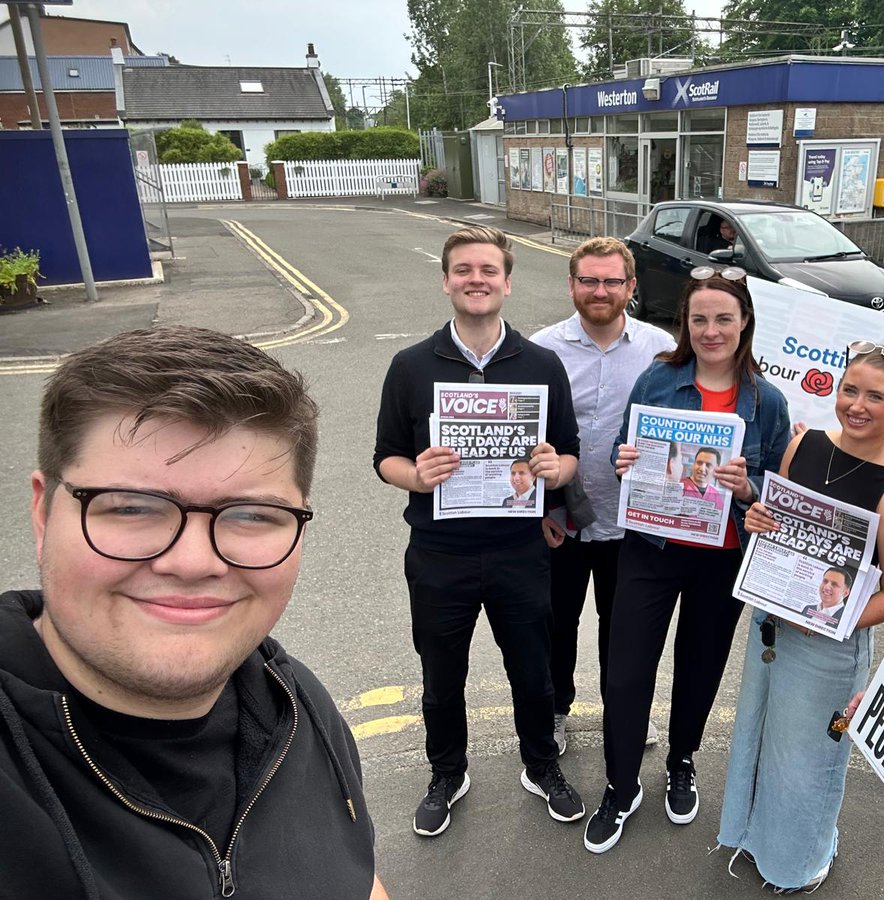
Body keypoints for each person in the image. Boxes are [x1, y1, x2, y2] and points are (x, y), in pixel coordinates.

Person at [0, 326, 387, 899]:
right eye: (132, 508)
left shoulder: (296, 701)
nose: (192, 561)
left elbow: (353, 877)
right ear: (42, 511)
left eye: (253, 515)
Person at [373, 225, 585, 837]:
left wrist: (554, 469)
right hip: (440, 552)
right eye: (464, 270)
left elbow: (570, 456)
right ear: (446, 281)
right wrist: (416, 474)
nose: (476, 280)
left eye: (488, 270)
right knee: (442, 673)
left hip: (520, 550)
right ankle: (447, 772)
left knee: (533, 672)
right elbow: (385, 457)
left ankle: (541, 765)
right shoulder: (410, 365)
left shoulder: (542, 365)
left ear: (507, 283)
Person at [582, 265, 792, 855]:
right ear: (685, 324)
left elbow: (775, 491)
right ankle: (620, 786)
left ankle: (681, 759)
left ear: (745, 322)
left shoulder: (766, 401)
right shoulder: (657, 380)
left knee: (700, 670)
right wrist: (626, 462)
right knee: (626, 674)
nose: (711, 330)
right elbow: (629, 448)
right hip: (649, 551)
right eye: (699, 318)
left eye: (724, 318)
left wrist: (748, 488)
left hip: (720, 558)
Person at [718, 340, 884, 892]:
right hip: (773, 623)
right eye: (849, 390)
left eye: (875, 396)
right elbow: (775, 517)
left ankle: (801, 860)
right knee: (760, 734)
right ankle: (752, 835)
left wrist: (830, 622)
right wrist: (759, 515)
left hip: (829, 644)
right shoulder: (803, 445)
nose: (857, 405)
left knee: (806, 759)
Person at [530, 236, 675, 756]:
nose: (600, 290)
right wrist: (542, 506)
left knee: (627, 632)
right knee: (556, 625)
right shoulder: (540, 348)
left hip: (635, 521)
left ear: (630, 287)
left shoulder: (660, 350)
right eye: (588, 280)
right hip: (561, 519)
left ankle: (628, 712)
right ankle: (556, 710)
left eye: (612, 281)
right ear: (571, 284)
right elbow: (525, 437)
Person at [681, 446, 725, 512]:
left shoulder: (716, 496)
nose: (702, 469)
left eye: (708, 465)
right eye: (699, 463)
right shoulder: (679, 486)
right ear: (694, 464)